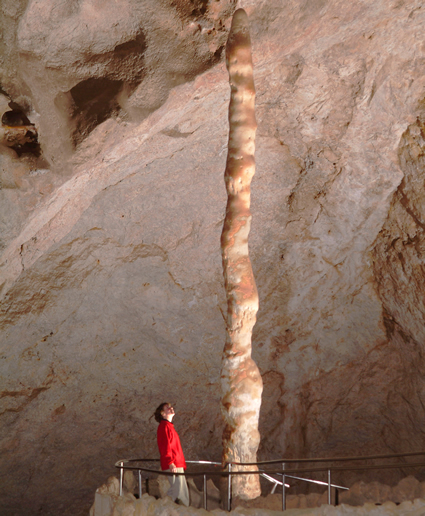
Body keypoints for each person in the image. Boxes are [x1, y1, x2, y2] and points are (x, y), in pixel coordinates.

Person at [154, 402, 190, 506]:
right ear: (162, 413)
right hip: (173, 464)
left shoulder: (169, 426)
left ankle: (165, 508)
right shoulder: (164, 426)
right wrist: (170, 462)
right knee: (179, 493)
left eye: (171, 406)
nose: (171, 408)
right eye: (167, 408)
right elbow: (165, 446)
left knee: (177, 491)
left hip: (175, 463)